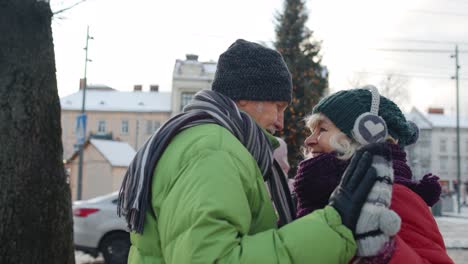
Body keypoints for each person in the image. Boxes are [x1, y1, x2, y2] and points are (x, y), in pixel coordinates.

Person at [118, 39, 384, 263]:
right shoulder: (214, 149)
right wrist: (331, 226)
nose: (281, 122)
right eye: (278, 106)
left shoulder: (203, 140)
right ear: (246, 96)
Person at [294, 86, 454, 263]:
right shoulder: (313, 195)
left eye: (322, 130)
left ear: (365, 136)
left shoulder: (392, 195)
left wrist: (384, 252)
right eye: (311, 132)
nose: (309, 141)